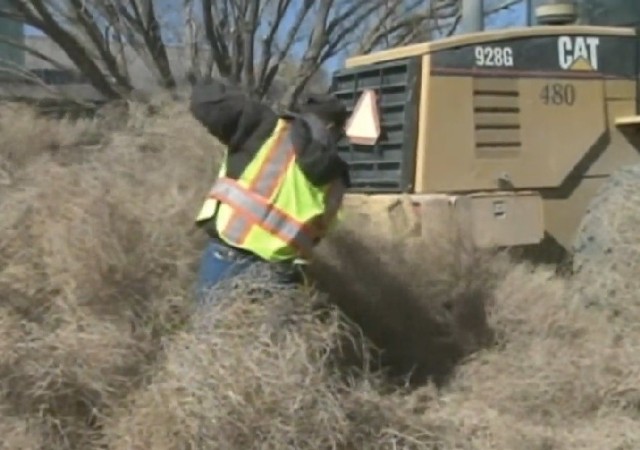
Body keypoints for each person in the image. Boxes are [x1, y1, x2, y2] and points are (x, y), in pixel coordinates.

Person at [189, 78, 351, 304]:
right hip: (280, 276)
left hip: (227, 261)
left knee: (211, 335)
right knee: (264, 339)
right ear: (334, 130)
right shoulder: (338, 180)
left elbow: (206, 104)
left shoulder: (267, 129)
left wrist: (199, 79)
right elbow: (317, 234)